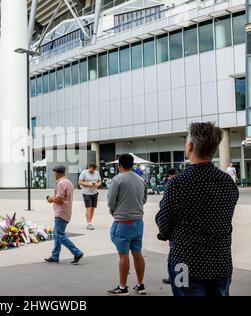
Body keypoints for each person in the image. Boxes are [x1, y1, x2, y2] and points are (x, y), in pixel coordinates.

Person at [156, 122, 239, 296]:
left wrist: (165, 232)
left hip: (184, 263)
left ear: (190, 146)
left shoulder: (177, 184)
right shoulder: (227, 182)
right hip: (221, 262)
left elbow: (163, 224)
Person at [107, 154, 148, 296]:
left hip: (123, 222)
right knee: (137, 253)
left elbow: (111, 201)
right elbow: (144, 199)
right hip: (138, 222)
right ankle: (140, 285)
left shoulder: (117, 179)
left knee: (123, 255)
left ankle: (123, 287)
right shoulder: (141, 180)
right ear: (132, 164)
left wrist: (113, 210)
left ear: (120, 165)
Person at [45, 166, 84, 265]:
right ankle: (55, 256)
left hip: (61, 212)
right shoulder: (69, 182)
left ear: (57, 173)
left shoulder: (61, 183)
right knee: (56, 234)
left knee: (60, 235)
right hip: (66, 211)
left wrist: (50, 198)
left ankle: (77, 252)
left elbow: (59, 199)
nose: (54, 175)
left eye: (54, 173)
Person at [79, 162, 102, 230]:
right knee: (89, 208)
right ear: (89, 167)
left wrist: (97, 185)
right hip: (86, 193)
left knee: (93, 208)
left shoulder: (97, 173)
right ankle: (89, 223)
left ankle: (90, 222)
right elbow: (80, 182)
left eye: (94, 170)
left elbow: (100, 181)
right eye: (91, 170)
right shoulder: (84, 173)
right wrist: (89, 184)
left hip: (95, 192)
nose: (93, 171)